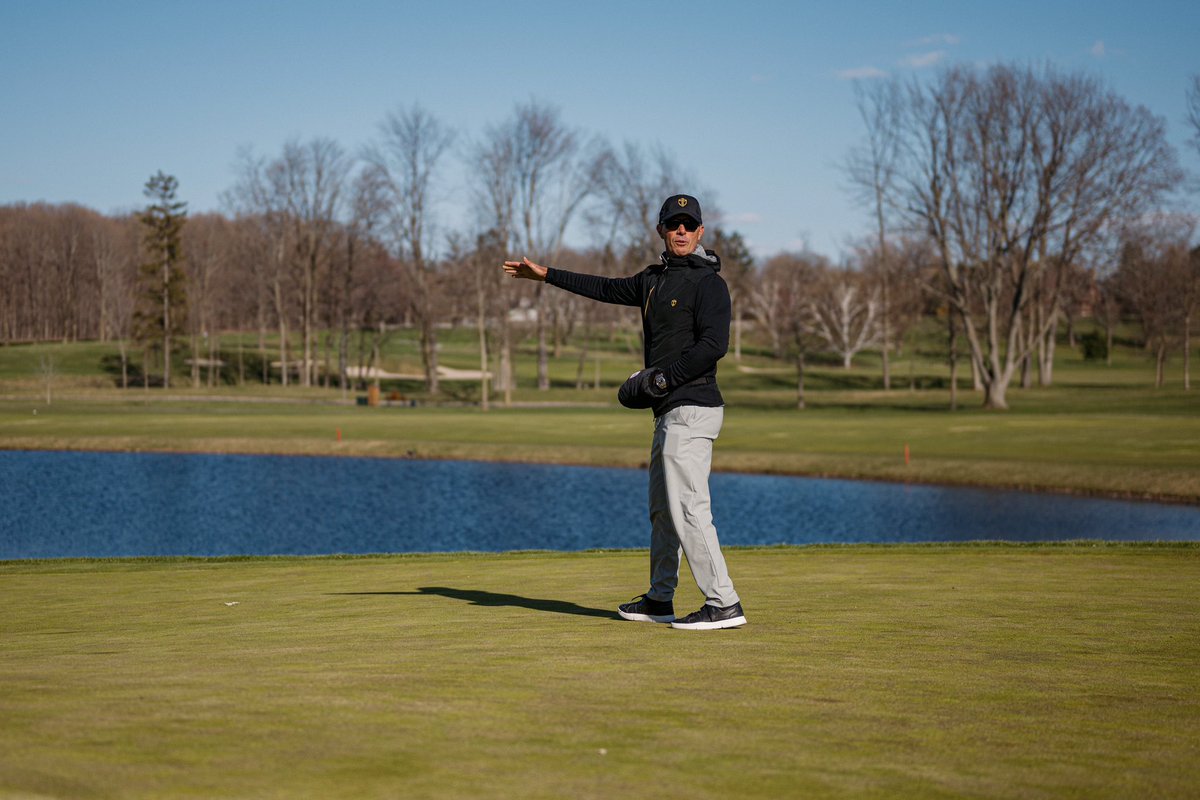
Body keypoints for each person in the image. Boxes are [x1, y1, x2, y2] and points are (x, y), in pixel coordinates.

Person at [502, 194, 746, 631]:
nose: (682, 232)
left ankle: (723, 603)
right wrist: (546, 275)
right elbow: (606, 287)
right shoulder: (653, 280)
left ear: (702, 232)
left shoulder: (710, 284)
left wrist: (660, 379)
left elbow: (714, 346)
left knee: (689, 508)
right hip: (668, 411)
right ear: (661, 230)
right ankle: (660, 598)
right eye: (675, 225)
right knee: (663, 510)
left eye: (690, 225)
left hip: (694, 407)